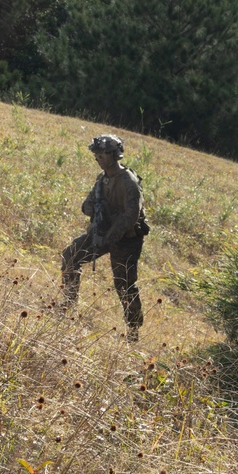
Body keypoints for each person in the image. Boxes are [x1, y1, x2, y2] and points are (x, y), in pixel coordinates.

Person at [60, 134, 149, 342]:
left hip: (126, 240)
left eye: (102, 154)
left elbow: (130, 216)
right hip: (102, 233)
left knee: (124, 285)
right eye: (96, 155)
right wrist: (93, 209)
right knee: (70, 256)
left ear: (114, 154)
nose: (98, 158)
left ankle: (133, 332)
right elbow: (87, 204)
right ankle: (67, 306)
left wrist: (108, 237)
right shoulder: (102, 179)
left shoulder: (129, 181)